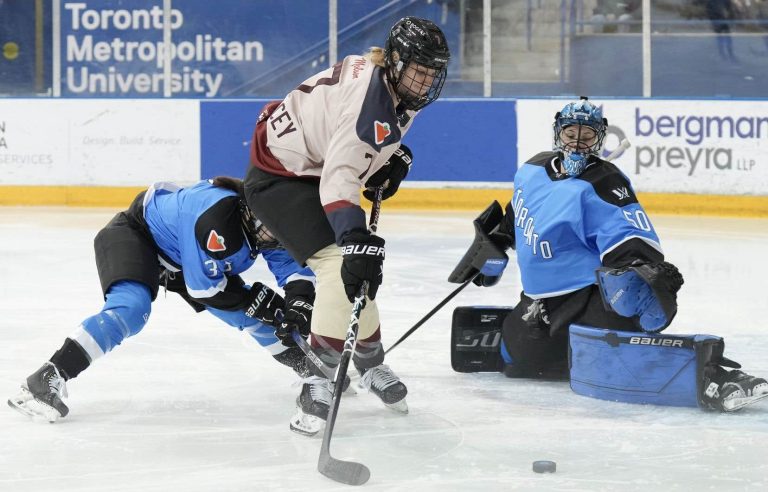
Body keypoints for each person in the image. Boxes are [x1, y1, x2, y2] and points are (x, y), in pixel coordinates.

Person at [451, 97, 767, 412]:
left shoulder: (604, 182)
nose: (577, 143)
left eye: (587, 136)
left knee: (616, 354)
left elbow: (628, 235)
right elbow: (517, 216)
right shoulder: (532, 169)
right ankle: (566, 352)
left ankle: (711, 378)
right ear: (557, 134)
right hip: (537, 308)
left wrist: (640, 270)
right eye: (570, 134)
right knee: (520, 361)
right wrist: (495, 244)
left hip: (585, 302)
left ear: (599, 139)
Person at [243, 16, 450, 435]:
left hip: (308, 165)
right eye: (417, 70)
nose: (424, 83)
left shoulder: (388, 85)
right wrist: (353, 234)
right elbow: (340, 176)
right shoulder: (370, 105)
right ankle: (318, 377)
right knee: (344, 265)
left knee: (359, 270)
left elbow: (352, 148)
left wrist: (383, 163)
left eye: (431, 74)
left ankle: (370, 366)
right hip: (281, 179)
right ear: (394, 61)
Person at [8, 177, 316, 423]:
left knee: (252, 314)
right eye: (267, 227)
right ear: (250, 209)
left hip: (182, 258)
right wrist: (259, 300)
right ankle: (49, 375)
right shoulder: (215, 218)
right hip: (137, 236)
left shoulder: (264, 222)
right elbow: (204, 289)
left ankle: (308, 367)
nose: (270, 236)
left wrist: (298, 300)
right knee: (131, 309)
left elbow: (291, 271)